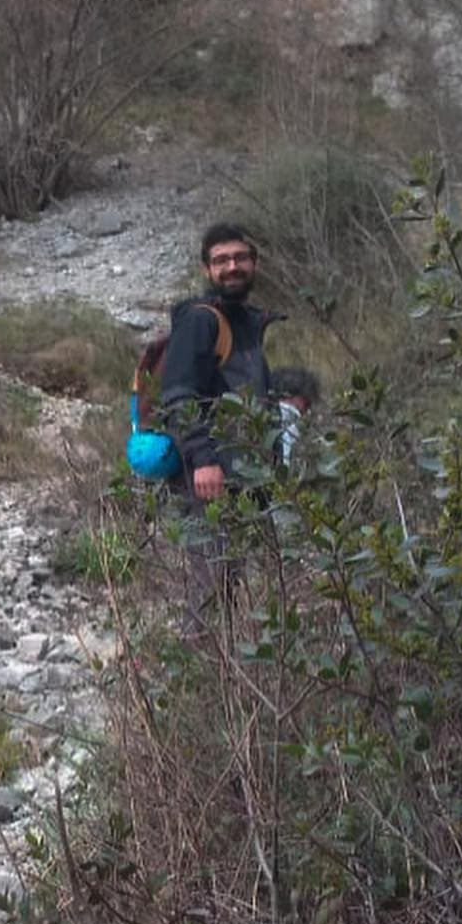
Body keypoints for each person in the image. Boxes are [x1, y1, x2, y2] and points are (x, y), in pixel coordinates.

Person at [158, 222, 280, 632]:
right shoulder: (200, 321)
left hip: (249, 478)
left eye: (240, 258)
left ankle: (234, 682)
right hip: (212, 477)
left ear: (254, 262)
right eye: (221, 260)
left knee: (237, 583)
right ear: (207, 269)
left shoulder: (247, 321)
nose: (232, 267)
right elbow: (179, 396)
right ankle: (199, 682)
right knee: (211, 587)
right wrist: (204, 459)